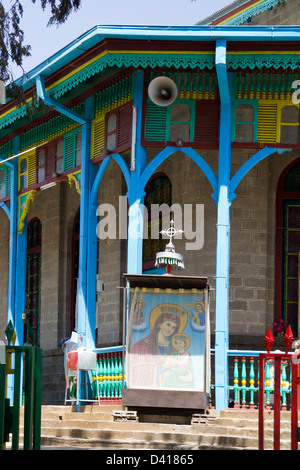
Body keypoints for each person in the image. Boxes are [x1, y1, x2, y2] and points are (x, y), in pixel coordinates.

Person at [129, 303, 188, 388]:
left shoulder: (175, 348)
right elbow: (139, 371)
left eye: (174, 327)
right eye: (168, 324)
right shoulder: (142, 345)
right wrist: (164, 366)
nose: (170, 329)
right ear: (159, 324)